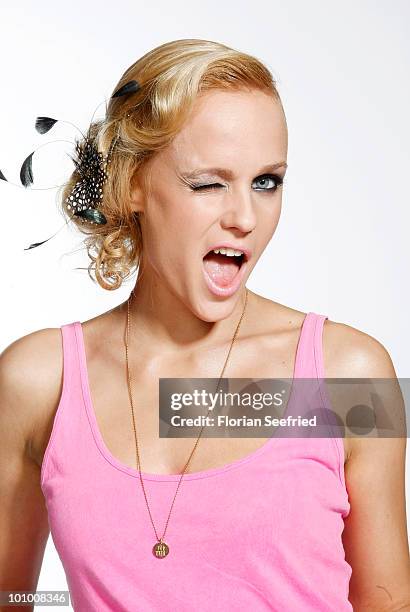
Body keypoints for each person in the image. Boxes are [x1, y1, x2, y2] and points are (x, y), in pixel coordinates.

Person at [0, 38, 409, 612]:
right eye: (209, 183)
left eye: (266, 181)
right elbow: (10, 593)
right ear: (132, 183)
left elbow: (388, 602)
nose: (245, 217)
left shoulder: (353, 373)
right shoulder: (38, 380)